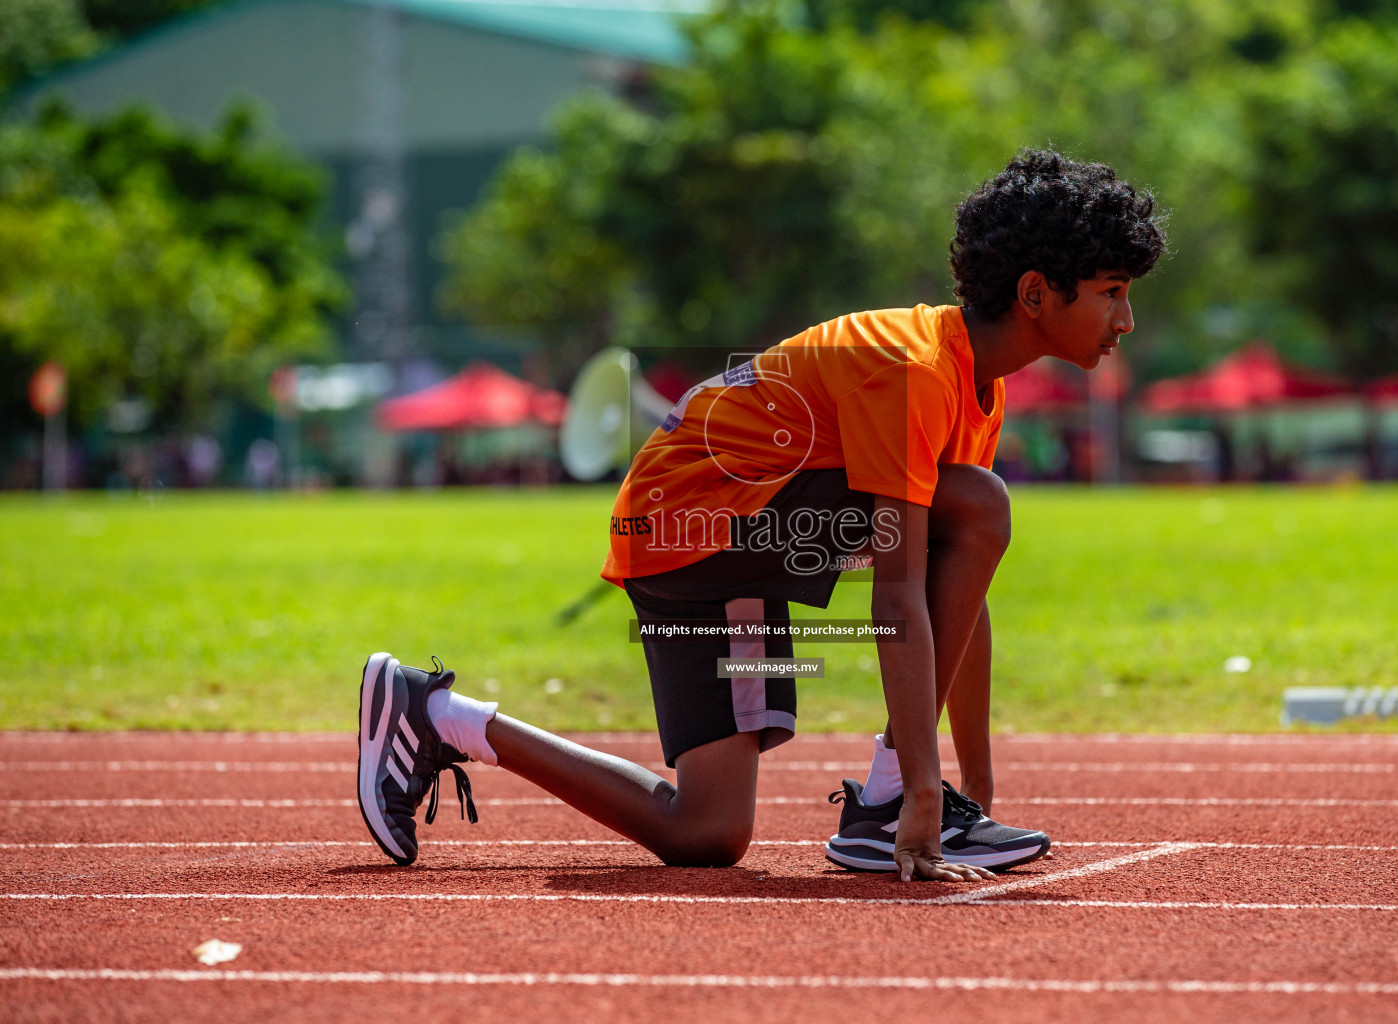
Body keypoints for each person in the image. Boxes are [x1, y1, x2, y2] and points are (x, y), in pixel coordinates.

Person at [356, 149, 1166, 882]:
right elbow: (898, 596)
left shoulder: (973, 382)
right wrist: (920, 785)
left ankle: (437, 714)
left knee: (706, 832)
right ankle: (885, 801)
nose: (1125, 321)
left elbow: (964, 587)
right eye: (1110, 294)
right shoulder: (920, 370)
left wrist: (973, 789)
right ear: (1034, 293)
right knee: (980, 505)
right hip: (693, 520)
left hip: (697, 533)